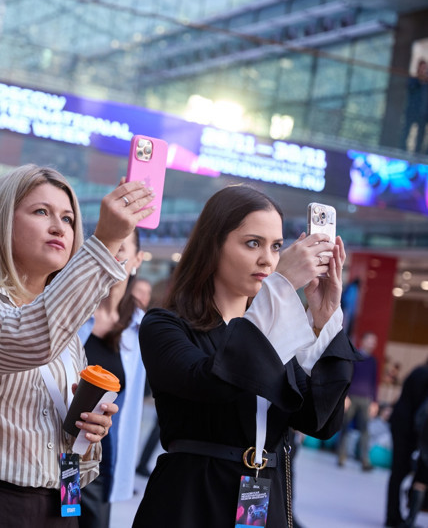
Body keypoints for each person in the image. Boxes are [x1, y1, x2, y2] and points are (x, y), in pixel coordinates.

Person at [0, 165, 153, 527]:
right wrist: (104, 243)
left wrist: (88, 431)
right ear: (2, 221)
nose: (59, 227)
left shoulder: (65, 329)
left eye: (68, 219)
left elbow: (72, 452)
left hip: (57, 506)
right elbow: (24, 339)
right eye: (41, 212)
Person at [133, 184, 360, 528]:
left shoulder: (276, 337)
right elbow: (212, 381)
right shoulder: (165, 325)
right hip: (192, 499)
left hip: (261, 501)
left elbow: (320, 420)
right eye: (253, 243)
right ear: (214, 246)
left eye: (277, 246)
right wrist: (280, 286)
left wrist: (326, 316)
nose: (268, 259)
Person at [76, 229, 145, 527]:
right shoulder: (71, 314)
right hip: (55, 451)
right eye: (110, 244)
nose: (116, 253)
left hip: (103, 461)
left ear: (138, 260)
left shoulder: (142, 329)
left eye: (124, 247)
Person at [386, 360, 428, 527]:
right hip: (407, 429)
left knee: (398, 472)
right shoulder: (424, 374)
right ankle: (393, 516)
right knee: (399, 472)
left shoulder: (419, 370)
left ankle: (394, 515)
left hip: (402, 425)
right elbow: (422, 411)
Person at [337, 331, 379, 470]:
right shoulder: (354, 356)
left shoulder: (373, 361)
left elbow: (374, 382)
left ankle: (364, 460)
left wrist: (374, 402)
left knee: (365, 430)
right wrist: (345, 396)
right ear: (363, 341)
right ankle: (341, 456)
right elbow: (347, 376)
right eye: (370, 340)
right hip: (352, 397)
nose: (372, 344)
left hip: (366, 400)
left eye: (374, 342)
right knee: (345, 427)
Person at [400, 59, 428, 153]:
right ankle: (402, 150)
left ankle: (417, 152)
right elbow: (411, 89)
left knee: (420, 135)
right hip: (411, 111)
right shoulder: (413, 81)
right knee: (406, 132)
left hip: (423, 114)